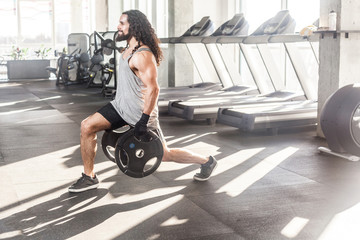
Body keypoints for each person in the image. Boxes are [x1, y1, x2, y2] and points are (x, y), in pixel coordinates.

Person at [68, 9, 217, 193]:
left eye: (122, 23)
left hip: (140, 113)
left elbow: (154, 89)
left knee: (165, 154)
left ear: (134, 26)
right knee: (86, 126)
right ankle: (89, 177)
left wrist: (144, 120)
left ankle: (207, 161)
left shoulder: (143, 55)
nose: (118, 27)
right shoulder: (127, 50)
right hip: (120, 107)